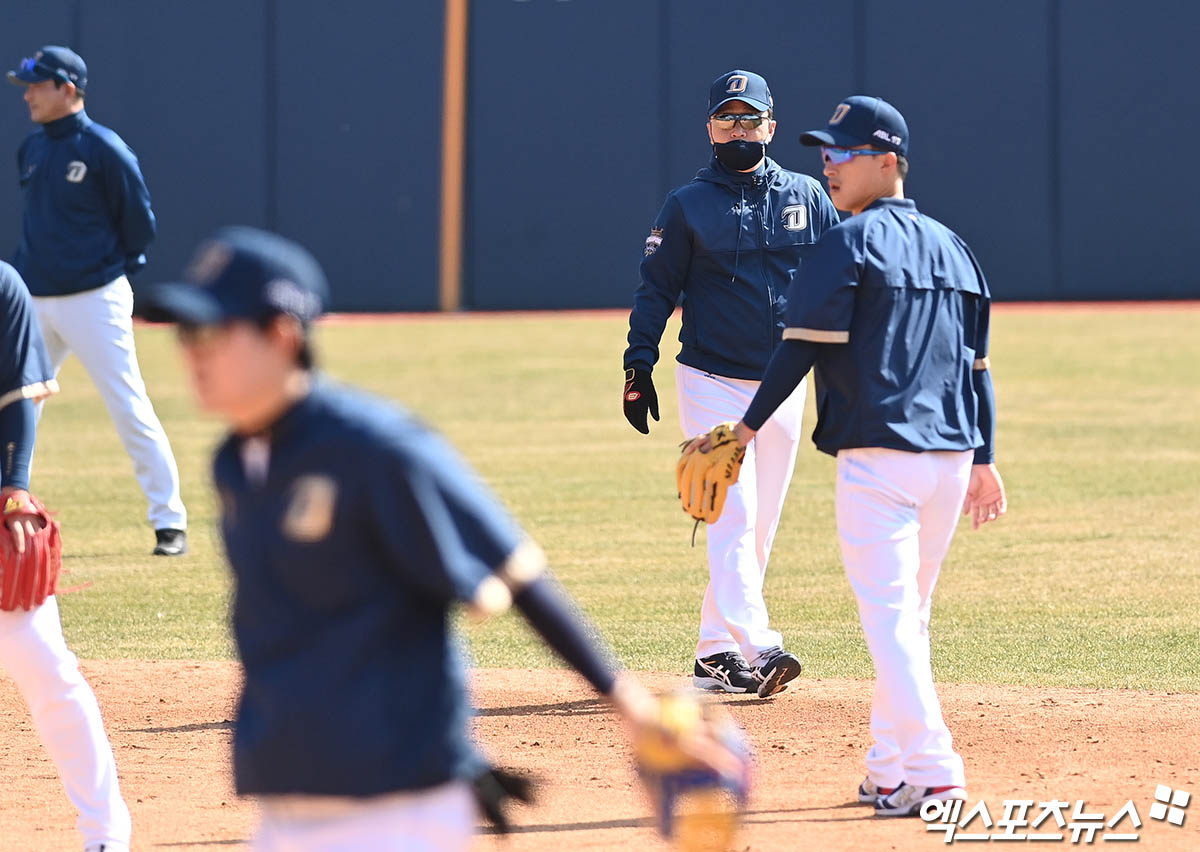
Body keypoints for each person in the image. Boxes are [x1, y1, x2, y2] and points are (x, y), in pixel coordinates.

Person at [141, 226, 731, 850]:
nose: (192, 354)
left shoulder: (376, 448)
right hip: (285, 795)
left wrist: (630, 707)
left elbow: (517, 575)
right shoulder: (234, 464)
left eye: (211, 332)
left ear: (282, 336)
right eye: (185, 335)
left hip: (393, 810)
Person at [713, 95, 1007, 816]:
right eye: (824, 151)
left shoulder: (844, 245)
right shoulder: (954, 246)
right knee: (909, 619)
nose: (828, 164)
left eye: (844, 153)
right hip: (948, 459)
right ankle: (889, 767)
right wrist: (984, 458)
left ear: (888, 162)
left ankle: (935, 770)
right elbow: (979, 368)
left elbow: (800, 349)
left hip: (881, 460)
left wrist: (745, 430)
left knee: (893, 620)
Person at [623, 69, 840, 697]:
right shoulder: (688, 204)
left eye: (750, 120)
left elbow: (840, 277)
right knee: (733, 513)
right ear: (710, 128)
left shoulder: (805, 194)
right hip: (712, 379)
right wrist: (639, 364)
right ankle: (760, 644)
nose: (738, 130)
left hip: (784, 382)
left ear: (771, 127)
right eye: (727, 119)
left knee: (760, 522)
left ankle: (715, 654)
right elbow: (656, 287)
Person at [7, 45, 187, 556]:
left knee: (128, 405)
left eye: (37, 86)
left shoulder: (105, 149)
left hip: (94, 297)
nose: (29, 97)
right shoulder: (33, 148)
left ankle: (169, 522)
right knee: (11, 408)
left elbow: (139, 225)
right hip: (36, 301)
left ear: (67, 88)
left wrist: (110, 277)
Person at [0, 259, 132, 852]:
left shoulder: (3, 284)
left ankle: (105, 834)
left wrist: (14, 486)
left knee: (45, 666)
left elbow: (17, 393)